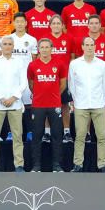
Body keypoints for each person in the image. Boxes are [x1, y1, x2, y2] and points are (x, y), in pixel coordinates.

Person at [68, 36, 105, 172]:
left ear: (95, 46)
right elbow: (71, 84)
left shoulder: (102, 64)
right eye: (87, 45)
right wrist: (77, 100)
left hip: (98, 105)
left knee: (102, 136)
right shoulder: (74, 64)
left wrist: (101, 100)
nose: (90, 47)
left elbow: (104, 86)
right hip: (81, 105)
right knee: (80, 136)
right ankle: (78, 164)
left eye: (92, 45)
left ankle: (102, 165)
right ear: (82, 47)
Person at [0, 35, 28, 173]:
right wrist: (1, 98)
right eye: (4, 44)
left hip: (15, 104)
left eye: (9, 44)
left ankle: (19, 165)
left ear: (13, 46)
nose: (7, 46)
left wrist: (13, 97)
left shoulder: (20, 62)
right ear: (1, 46)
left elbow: (23, 83)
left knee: (17, 136)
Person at [27, 39, 67, 172]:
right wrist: (39, 95)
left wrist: (54, 95)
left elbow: (62, 84)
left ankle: (56, 165)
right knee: (37, 136)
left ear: (52, 48)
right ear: (38, 49)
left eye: (47, 47)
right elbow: (31, 85)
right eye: (41, 47)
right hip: (38, 105)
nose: (44, 49)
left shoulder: (59, 64)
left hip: (54, 105)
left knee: (56, 135)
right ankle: (36, 165)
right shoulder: (32, 65)